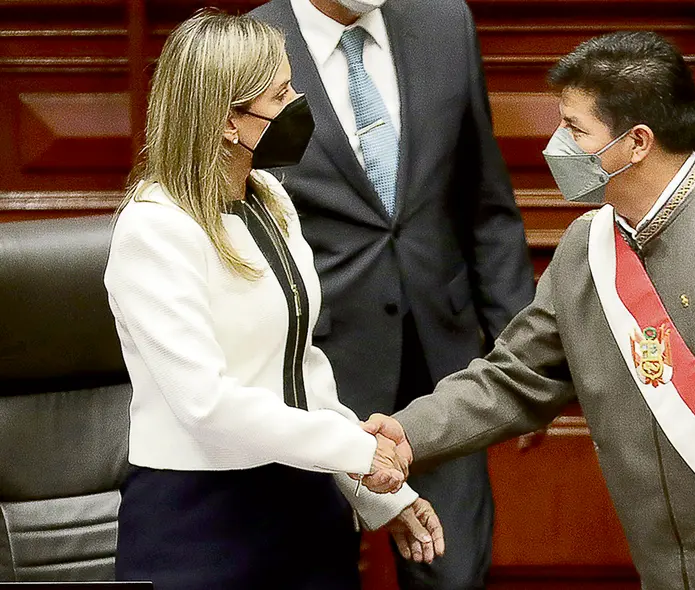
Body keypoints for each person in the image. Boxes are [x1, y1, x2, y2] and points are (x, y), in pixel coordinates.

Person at [365, 31, 695, 590]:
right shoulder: (586, 247)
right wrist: (409, 434)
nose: (556, 144)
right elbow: (514, 378)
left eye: (575, 129)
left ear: (637, 142)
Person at [104, 11, 443, 590]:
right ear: (227, 121)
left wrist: (378, 491)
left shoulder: (271, 202)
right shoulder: (154, 230)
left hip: (304, 506)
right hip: (202, 520)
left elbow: (301, 373)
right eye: (281, 93)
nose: (298, 103)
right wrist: (355, 451)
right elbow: (205, 403)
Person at [249, 0, 536, 588]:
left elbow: (486, 203)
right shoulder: (253, 41)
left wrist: (523, 362)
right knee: (316, 573)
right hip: (312, 371)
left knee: (454, 573)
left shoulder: (442, 21)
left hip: (442, 362)